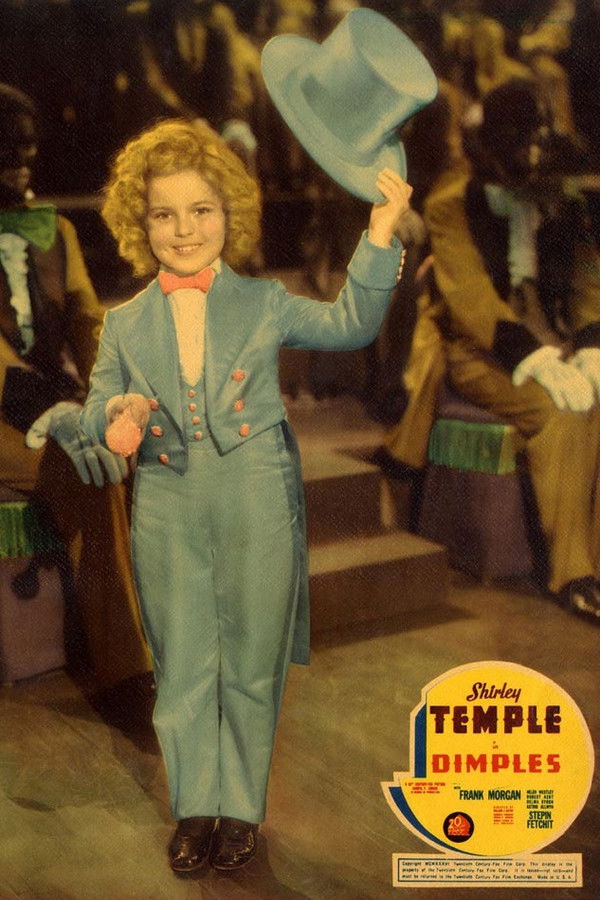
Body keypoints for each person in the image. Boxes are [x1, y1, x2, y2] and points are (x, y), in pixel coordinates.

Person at [79, 117, 411, 874]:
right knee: (183, 664)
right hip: (166, 504)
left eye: (201, 210)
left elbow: (353, 324)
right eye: (164, 214)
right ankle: (195, 809)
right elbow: (99, 404)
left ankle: (241, 812)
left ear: (229, 213)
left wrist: (380, 231)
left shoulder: (266, 301)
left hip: (257, 496)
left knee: (253, 662)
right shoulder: (122, 324)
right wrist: (115, 414)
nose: (184, 230)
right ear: (139, 224)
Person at [382, 77, 600, 622]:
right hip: (478, 351)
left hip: (553, 335)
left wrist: (592, 344)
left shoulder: (557, 188)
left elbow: (586, 276)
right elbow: (472, 301)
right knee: (560, 412)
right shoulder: (452, 202)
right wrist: (537, 359)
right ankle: (574, 574)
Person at [0, 82, 152, 688]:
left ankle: (175, 629)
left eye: (27, 146)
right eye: (6, 147)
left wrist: (118, 396)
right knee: (96, 472)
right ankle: (127, 667)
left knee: (149, 446)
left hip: (55, 402)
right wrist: (59, 414)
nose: (21, 159)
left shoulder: (57, 232)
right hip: (8, 417)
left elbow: (91, 326)